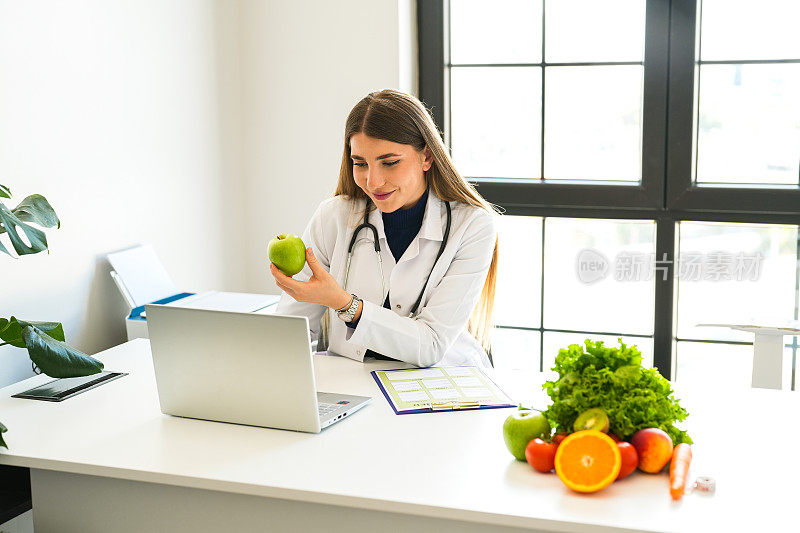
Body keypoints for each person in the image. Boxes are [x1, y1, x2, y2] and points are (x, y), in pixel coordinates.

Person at [270, 89, 499, 368]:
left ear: (426, 156)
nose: (373, 181)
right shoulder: (334, 216)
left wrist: (345, 304)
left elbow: (430, 345)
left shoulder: (472, 226)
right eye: (360, 164)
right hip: (354, 379)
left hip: (442, 381)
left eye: (390, 163)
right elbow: (291, 332)